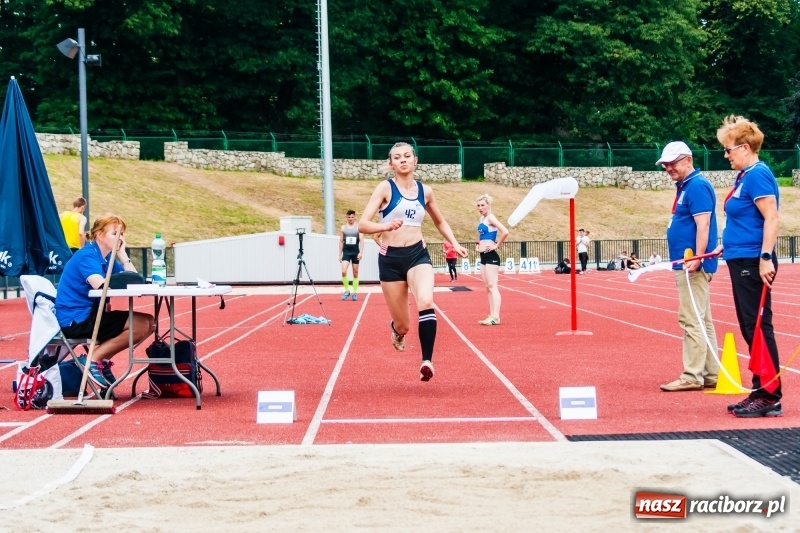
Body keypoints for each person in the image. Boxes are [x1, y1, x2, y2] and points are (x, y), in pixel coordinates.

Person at [358, 142, 467, 381]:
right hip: (391, 260)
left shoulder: (425, 191)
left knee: (426, 300)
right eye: (397, 157)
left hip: (417, 254)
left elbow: (439, 221)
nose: (403, 160)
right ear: (391, 163)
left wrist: (454, 243)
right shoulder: (385, 188)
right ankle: (396, 331)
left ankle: (426, 361)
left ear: (415, 160)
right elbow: (363, 225)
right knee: (404, 325)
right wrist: (385, 225)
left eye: (407, 156)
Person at [715, 115, 782, 417]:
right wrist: (726, 244)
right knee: (749, 326)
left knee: (757, 326)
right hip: (740, 256)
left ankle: (770, 395)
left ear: (744, 148)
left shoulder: (757, 175)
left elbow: (772, 217)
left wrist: (765, 257)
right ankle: (760, 389)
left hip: (753, 260)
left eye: (728, 149)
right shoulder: (745, 177)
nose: (725, 155)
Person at [55, 214, 155, 389]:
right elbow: (99, 285)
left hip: (91, 316)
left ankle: (101, 359)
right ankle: (93, 360)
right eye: (115, 233)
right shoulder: (87, 255)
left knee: (149, 321)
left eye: (122, 234)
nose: (120, 238)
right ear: (100, 235)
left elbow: (133, 279)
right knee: (139, 324)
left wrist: (123, 256)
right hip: (76, 320)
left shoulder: (107, 257)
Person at [656, 141, 720, 393]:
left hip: (691, 263)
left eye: (672, 162)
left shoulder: (696, 186)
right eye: (665, 164)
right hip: (687, 261)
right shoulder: (687, 186)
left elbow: (703, 224)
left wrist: (698, 257)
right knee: (702, 319)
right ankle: (710, 373)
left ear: (688, 160)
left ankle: (692, 375)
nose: (668, 168)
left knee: (691, 318)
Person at [476, 193, 509, 325]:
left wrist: (496, 245)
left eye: (482, 205)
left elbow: (505, 231)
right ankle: (491, 315)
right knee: (487, 287)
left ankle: (496, 316)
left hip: (491, 256)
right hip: (483, 255)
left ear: (488, 205)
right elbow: (483, 236)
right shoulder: (481, 219)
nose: (480, 207)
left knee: (492, 286)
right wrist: (479, 246)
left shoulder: (490, 217)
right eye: (478, 205)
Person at [339, 209, 364, 301]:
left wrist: (361, 252)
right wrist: (339, 254)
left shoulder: (358, 228)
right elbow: (341, 241)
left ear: (355, 218)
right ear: (346, 217)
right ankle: (347, 290)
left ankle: (354, 292)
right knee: (343, 271)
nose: (350, 219)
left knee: (355, 273)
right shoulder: (343, 228)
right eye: (349, 217)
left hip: (355, 253)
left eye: (352, 217)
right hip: (346, 252)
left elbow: (362, 241)